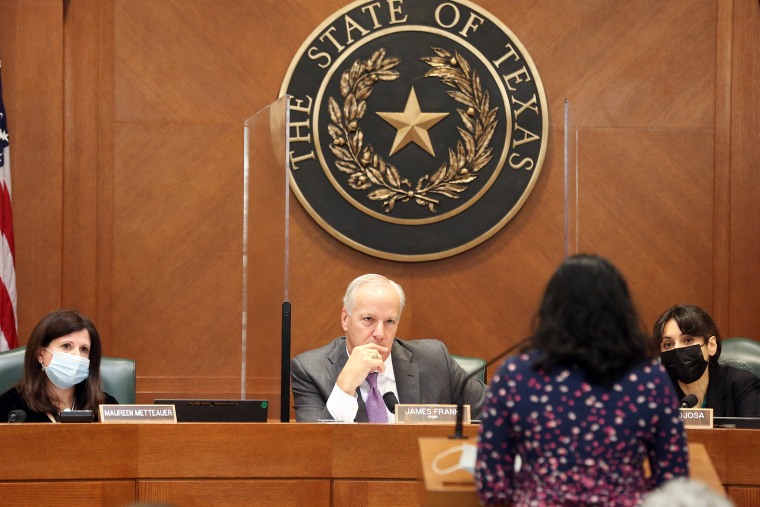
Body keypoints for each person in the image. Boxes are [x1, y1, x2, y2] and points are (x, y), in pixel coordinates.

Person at [476, 254, 688, 506]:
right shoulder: (649, 378)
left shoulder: (515, 375)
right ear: (621, 312)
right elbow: (674, 482)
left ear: (552, 310)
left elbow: (492, 485)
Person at [290, 273, 486, 422]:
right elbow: (315, 449)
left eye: (390, 321)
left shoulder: (434, 359)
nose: (380, 333)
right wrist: (345, 387)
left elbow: (499, 408)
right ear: (345, 319)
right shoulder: (311, 370)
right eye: (369, 319)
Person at [0, 309, 118, 423]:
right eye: (66, 346)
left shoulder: (106, 407)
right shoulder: (10, 407)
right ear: (41, 354)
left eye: (84, 349)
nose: (77, 356)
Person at [653, 303, 760, 417]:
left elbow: (749, 435)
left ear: (711, 345)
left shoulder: (742, 385)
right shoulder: (655, 391)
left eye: (688, 340)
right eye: (668, 344)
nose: (678, 349)